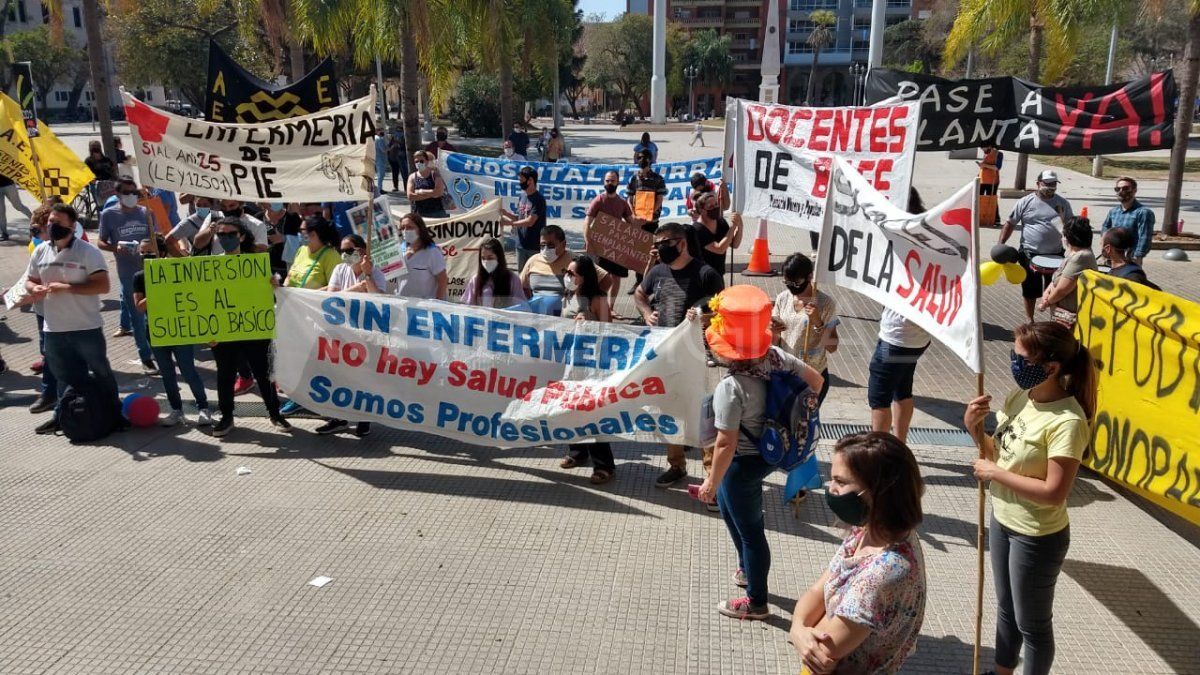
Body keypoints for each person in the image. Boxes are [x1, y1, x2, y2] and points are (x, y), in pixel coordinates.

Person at [963, 322, 1094, 675]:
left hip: (1036, 535)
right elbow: (997, 454)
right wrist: (974, 428)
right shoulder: (1021, 397)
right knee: (1006, 609)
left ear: (1050, 368)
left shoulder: (1068, 421)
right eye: (1013, 354)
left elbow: (1055, 492)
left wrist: (996, 475)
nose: (1013, 363)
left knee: (1032, 626)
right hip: (1003, 518)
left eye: (1021, 357)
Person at [695, 285, 824, 620]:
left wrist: (710, 481)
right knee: (730, 510)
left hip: (742, 464)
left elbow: (724, 444)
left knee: (751, 532)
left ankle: (757, 602)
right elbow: (816, 383)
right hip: (768, 455)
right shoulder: (777, 358)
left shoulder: (731, 387)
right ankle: (746, 570)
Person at [789, 432, 927, 673]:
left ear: (878, 491)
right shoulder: (869, 527)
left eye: (840, 482)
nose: (830, 488)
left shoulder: (885, 572)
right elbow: (818, 590)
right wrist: (798, 628)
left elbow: (823, 651)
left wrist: (803, 631)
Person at [636, 222, 724, 487]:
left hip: (696, 357)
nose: (660, 250)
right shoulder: (658, 272)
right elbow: (640, 293)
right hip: (665, 355)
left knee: (701, 416)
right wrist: (644, 312)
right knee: (669, 412)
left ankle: (711, 475)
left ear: (682, 244)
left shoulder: (705, 273)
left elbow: (723, 310)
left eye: (665, 245)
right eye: (658, 245)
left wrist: (703, 318)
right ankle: (677, 465)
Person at [24, 204, 122, 435]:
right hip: (53, 327)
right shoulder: (41, 251)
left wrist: (66, 288)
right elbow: (29, 279)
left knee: (101, 372)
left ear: (72, 225)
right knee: (63, 376)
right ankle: (63, 416)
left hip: (85, 326)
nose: (51, 225)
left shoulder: (87, 251)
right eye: (49, 222)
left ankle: (114, 415)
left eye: (57, 222)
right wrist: (34, 287)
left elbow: (103, 285)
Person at [209, 216, 289, 437]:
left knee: (263, 374)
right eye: (221, 235)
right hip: (224, 331)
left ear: (241, 236)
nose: (225, 238)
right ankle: (226, 417)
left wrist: (274, 282)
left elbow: (272, 288)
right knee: (225, 375)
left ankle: (275, 414)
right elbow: (206, 300)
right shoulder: (210, 265)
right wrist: (207, 331)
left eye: (230, 234)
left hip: (254, 329)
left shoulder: (256, 262)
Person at [131, 235, 212, 427]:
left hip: (179, 329)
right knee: (167, 373)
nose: (145, 256)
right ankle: (176, 410)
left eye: (149, 252)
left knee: (188, 370)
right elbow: (140, 307)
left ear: (162, 252)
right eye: (142, 253)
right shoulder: (139, 277)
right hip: (156, 331)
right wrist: (157, 290)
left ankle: (204, 408)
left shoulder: (176, 271)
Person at [316, 234, 387, 437]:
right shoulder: (340, 269)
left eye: (349, 250)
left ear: (361, 251)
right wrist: (357, 288)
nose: (344, 255)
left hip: (367, 332)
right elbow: (332, 297)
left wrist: (368, 277)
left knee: (364, 376)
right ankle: (339, 418)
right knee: (340, 376)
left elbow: (379, 299)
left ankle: (365, 418)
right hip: (342, 331)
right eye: (342, 251)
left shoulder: (376, 271)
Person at [557, 255, 617, 485]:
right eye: (567, 272)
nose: (567, 277)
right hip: (571, 364)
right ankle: (577, 451)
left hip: (592, 366)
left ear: (585, 277)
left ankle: (604, 465)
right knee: (571, 408)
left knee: (593, 413)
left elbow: (609, 331)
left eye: (572, 274)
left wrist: (589, 325)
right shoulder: (568, 295)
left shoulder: (597, 299)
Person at [97, 176, 157, 375]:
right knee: (137, 317)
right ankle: (146, 357)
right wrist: (117, 248)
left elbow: (156, 238)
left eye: (135, 192)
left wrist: (151, 244)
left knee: (154, 313)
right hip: (128, 273)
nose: (131, 196)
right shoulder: (109, 214)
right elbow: (101, 242)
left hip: (150, 269)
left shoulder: (147, 212)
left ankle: (159, 351)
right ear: (118, 193)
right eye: (127, 192)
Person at [1000, 170, 1074, 321]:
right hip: (1029, 253)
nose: (1050, 187)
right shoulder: (1025, 202)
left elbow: (1070, 227)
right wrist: (1000, 245)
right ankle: (1030, 320)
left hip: (1056, 254)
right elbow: (1010, 223)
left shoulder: (1063, 203)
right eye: (1047, 184)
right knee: (1030, 290)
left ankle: (1054, 320)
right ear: (1038, 184)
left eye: (1053, 184)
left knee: (1055, 289)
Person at [772, 252, 838, 407]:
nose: (792, 287)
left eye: (797, 282)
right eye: (787, 282)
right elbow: (774, 339)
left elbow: (832, 346)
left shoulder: (825, 303)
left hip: (812, 375)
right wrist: (772, 330)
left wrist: (817, 322)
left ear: (809, 277)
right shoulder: (783, 298)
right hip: (785, 372)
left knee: (804, 423)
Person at [583, 170, 635, 311]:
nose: (609, 183)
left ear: (618, 182)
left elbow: (631, 223)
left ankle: (611, 308)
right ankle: (601, 307)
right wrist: (588, 242)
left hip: (617, 247)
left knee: (616, 277)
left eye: (612, 180)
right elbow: (587, 222)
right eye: (607, 181)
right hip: (601, 248)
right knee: (601, 278)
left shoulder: (622, 203)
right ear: (603, 182)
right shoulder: (598, 201)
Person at [25, 211, 59, 414]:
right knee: (48, 353)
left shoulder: (77, 250)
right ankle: (50, 395)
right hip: (43, 310)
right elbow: (29, 278)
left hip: (69, 314)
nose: (36, 233)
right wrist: (30, 288)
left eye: (39, 229)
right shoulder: (38, 250)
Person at [1037, 216, 1098, 326]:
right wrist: (1047, 291)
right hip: (1062, 313)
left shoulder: (1081, 257)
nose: (1062, 238)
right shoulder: (1073, 253)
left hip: (1070, 316)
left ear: (1069, 237)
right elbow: (1059, 276)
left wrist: (1046, 302)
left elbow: (1062, 289)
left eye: (1063, 235)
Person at [627, 150, 667, 291]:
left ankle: (653, 282)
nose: (642, 161)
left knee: (653, 252)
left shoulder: (658, 178)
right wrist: (633, 214)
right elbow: (630, 198)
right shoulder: (633, 179)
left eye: (645, 158)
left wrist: (649, 213)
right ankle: (639, 282)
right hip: (638, 223)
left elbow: (660, 199)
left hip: (652, 222)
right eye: (640, 158)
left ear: (650, 160)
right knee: (638, 253)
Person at [1099, 176, 1154, 266]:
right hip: (1112, 258)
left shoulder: (1143, 212)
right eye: (1118, 189)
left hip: (1130, 258)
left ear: (1134, 190)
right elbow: (1105, 228)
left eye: (1125, 188)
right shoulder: (1113, 212)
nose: (1121, 191)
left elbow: (1144, 237)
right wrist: (1104, 250)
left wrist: (1137, 257)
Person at [395, 212, 449, 300]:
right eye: (402, 228)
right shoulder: (399, 250)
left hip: (425, 307)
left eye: (409, 227)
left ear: (420, 229)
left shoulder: (432, 252)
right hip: (403, 304)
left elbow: (443, 279)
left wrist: (437, 303)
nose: (405, 231)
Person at [462, 237, 526, 308]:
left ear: (499, 257)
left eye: (490, 258)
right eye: (483, 258)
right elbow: (468, 307)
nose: (486, 262)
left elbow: (520, 306)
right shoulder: (476, 280)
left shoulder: (512, 278)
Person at [504, 166, 547, 270]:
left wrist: (509, 224)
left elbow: (530, 221)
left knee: (532, 278)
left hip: (534, 247)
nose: (520, 182)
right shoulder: (522, 196)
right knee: (521, 278)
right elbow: (519, 218)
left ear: (530, 180)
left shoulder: (539, 199)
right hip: (520, 245)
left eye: (521, 180)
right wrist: (505, 213)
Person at [689, 194, 742, 277]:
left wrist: (740, 226)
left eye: (716, 204)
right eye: (710, 207)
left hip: (718, 273)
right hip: (702, 276)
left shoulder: (721, 222)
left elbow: (734, 244)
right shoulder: (697, 229)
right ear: (702, 210)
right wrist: (733, 227)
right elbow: (720, 249)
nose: (715, 208)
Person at [284, 214, 341, 290]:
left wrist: (310, 296)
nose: (299, 234)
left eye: (302, 230)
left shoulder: (331, 256)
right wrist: (281, 287)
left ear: (314, 234)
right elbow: (289, 277)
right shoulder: (301, 250)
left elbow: (336, 286)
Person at [193, 200, 271, 253]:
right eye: (223, 206)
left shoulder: (257, 225)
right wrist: (210, 231)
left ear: (241, 204)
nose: (228, 209)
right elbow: (197, 244)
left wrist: (242, 241)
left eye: (232, 205)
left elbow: (262, 252)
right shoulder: (213, 217)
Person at [406, 151, 449, 218]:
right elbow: (410, 196)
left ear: (427, 161)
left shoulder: (436, 174)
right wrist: (433, 194)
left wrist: (420, 191)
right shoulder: (412, 176)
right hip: (419, 213)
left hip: (438, 213)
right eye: (416, 162)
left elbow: (439, 192)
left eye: (421, 161)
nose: (419, 163)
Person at [0, 172, 33, 241]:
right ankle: (4, 233)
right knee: (1, 211)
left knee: (18, 206)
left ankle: (35, 220)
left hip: (9, 184)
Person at [978, 141, 1004, 227]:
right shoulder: (986, 153)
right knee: (979, 199)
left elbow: (997, 167)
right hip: (982, 180)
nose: (984, 151)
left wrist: (984, 165)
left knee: (992, 199)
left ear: (990, 146)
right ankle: (980, 216)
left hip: (992, 181)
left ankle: (996, 219)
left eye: (984, 149)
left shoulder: (998, 154)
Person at [386, 128, 407, 193]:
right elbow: (389, 147)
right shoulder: (393, 138)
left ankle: (406, 188)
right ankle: (395, 186)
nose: (398, 133)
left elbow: (406, 148)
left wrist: (399, 143)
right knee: (395, 173)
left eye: (400, 131)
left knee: (404, 173)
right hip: (393, 158)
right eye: (397, 131)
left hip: (402, 158)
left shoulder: (405, 138)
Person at [374, 128, 389, 196]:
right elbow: (383, 150)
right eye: (380, 131)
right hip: (380, 158)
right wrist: (390, 148)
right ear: (377, 131)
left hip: (377, 158)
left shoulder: (375, 138)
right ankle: (379, 189)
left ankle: (380, 188)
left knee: (380, 174)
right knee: (381, 174)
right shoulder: (379, 139)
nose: (382, 132)